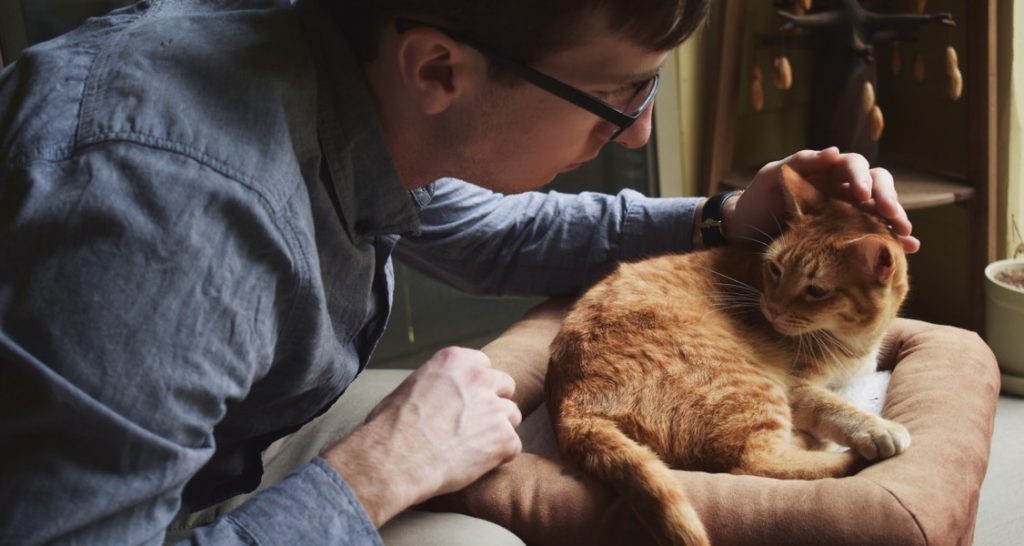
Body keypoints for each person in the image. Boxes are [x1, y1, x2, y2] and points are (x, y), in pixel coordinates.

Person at [0, 0, 920, 544]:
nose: (638, 131)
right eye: (618, 95)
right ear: (439, 67)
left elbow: (492, 234)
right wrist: (373, 473)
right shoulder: (156, 225)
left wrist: (721, 216)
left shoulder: (339, 71)